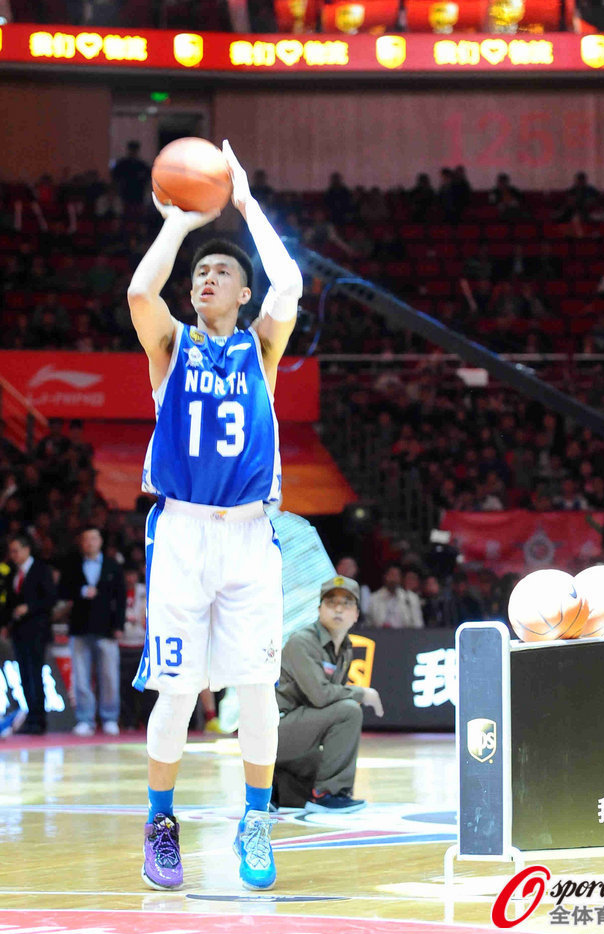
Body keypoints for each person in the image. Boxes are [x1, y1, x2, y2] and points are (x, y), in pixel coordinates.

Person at [126, 139, 302, 892]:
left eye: (219, 270)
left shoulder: (261, 347)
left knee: (255, 690)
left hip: (248, 537)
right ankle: (160, 822)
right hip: (183, 532)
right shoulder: (171, 347)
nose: (205, 277)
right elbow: (140, 295)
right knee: (174, 690)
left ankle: (255, 819)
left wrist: (249, 205)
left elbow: (289, 280)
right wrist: (176, 224)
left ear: (241, 293)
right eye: (199, 272)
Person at [274, 576, 383, 811]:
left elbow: (327, 701)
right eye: (331, 602)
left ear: (356, 614)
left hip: (301, 732)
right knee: (348, 711)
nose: (338, 608)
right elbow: (321, 696)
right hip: (275, 730)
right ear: (319, 609)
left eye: (346, 603)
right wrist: (362, 693)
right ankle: (328, 794)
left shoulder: (345, 649)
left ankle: (275, 787)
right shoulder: (302, 642)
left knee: (319, 769)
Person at [59, 526, 126, 736]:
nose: (90, 543)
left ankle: (109, 718)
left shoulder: (112, 566)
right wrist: (80, 591)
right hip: (79, 628)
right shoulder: (72, 564)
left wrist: (118, 626)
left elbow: (121, 598)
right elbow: (62, 590)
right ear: (81, 542)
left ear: (100, 541)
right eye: (86, 539)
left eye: (93, 538)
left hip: (106, 629)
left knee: (109, 676)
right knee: (80, 677)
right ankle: (85, 719)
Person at [2, 534, 56, 735]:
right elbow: (9, 604)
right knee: (24, 675)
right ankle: (30, 717)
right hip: (19, 632)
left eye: (16, 550)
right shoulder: (13, 574)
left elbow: (51, 598)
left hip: (37, 632)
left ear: (26, 549)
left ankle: (39, 720)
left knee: (35, 674)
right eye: (12, 551)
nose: (13, 555)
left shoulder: (41, 570)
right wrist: (6, 623)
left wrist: (30, 607)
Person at [367, 563, 424, 629]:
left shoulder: (411, 598)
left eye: (396, 575)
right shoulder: (373, 598)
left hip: (406, 636)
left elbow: (418, 624)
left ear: (400, 578)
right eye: (391, 575)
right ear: (385, 577)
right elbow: (368, 625)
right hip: (380, 636)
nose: (393, 579)